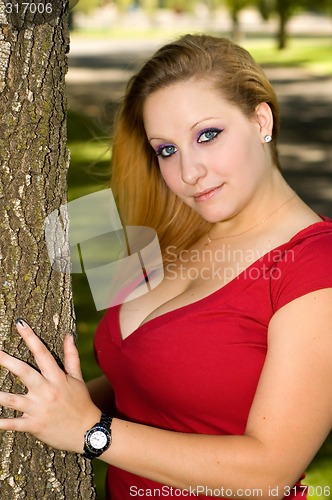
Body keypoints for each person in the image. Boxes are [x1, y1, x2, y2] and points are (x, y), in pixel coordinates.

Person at [0, 34, 331, 500]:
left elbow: (269, 473)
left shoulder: (317, 266)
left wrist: (91, 431)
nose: (189, 172)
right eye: (167, 150)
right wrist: (43, 402)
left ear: (261, 120)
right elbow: (139, 379)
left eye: (208, 135)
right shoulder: (168, 228)